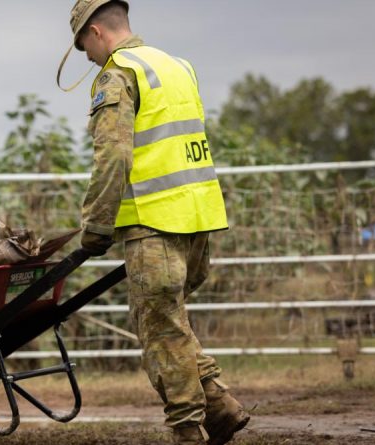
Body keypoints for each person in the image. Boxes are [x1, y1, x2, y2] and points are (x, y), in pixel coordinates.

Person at [60, 1, 250, 444]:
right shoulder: (177, 65)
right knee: (169, 320)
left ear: (96, 32)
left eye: (83, 44)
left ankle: (188, 431)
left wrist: (96, 225)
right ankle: (220, 408)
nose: (87, 56)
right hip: (199, 218)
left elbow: (113, 156)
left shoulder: (117, 73)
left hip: (154, 222)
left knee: (161, 332)